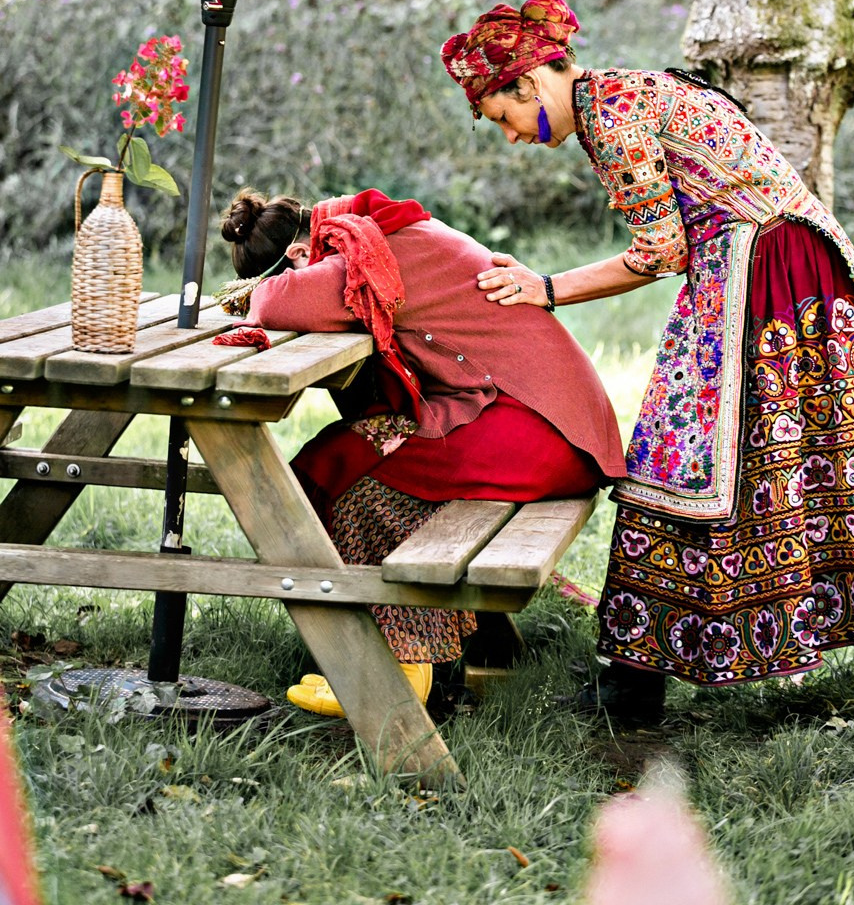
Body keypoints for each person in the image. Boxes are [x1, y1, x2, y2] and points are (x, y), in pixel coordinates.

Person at [440, 0, 854, 724]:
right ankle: (635, 677)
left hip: (773, 275)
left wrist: (545, 288)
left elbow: (659, 251)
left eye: (502, 117)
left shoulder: (611, 116)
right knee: (737, 461)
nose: (511, 136)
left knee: (736, 460)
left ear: (529, 84)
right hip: (778, 268)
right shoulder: (614, 96)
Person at [220, 186, 626, 716]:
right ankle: (386, 645)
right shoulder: (378, 232)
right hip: (532, 415)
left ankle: (397, 666)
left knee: (353, 484)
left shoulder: (370, 245)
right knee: (333, 459)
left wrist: (260, 292)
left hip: (537, 428)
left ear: (299, 254)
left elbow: (279, 302)